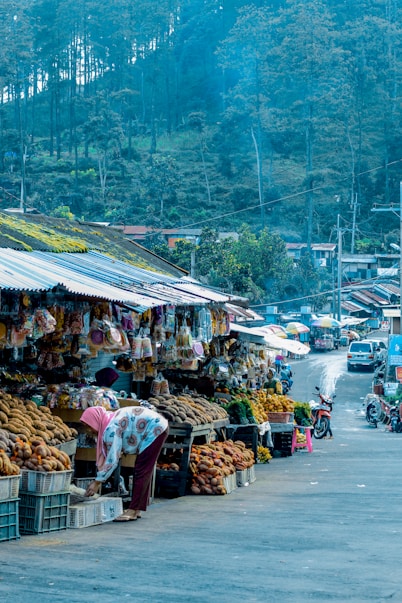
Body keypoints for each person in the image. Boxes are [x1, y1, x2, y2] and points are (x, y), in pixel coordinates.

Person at [80, 405, 169, 522]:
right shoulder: (109, 419)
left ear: (95, 420)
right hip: (157, 427)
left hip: (155, 429)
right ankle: (137, 509)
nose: (89, 431)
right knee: (142, 470)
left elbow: (112, 460)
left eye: (89, 426)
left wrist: (97, 482)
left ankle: (132, 510)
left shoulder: (111, 428)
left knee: (141, 470)